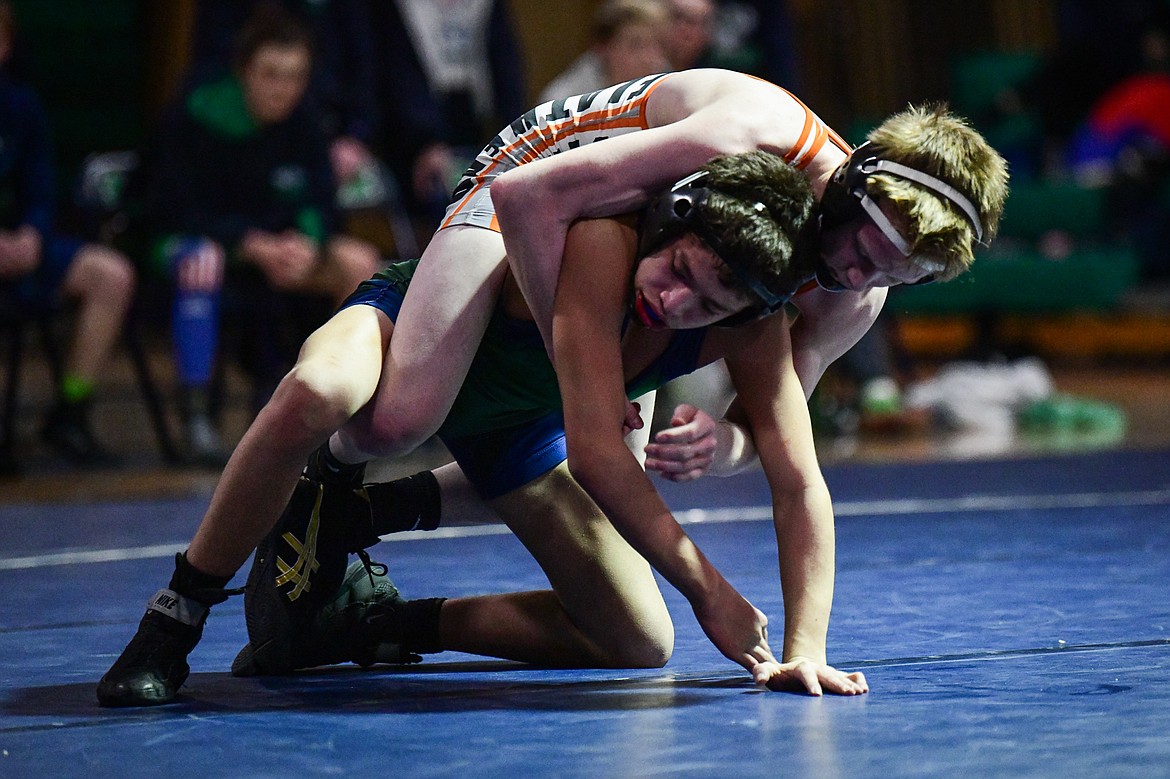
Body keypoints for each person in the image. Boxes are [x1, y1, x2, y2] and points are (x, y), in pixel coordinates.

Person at [96, 69, 1009, 706]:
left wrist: (723, 453)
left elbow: (783, 447)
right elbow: (537, 197)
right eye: (858, 242)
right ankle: (215, 579)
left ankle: (362, 595)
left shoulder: (824, 295)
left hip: (623, 284)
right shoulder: (743, 139)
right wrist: (585, 356)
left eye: (892, 270)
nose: (854, 270)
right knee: (399, 413)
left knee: (636, 630)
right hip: (535, 182)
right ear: (849, 182)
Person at [138, 7, 382, 463]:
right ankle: (196, 418)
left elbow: (320, 203)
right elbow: (173, 209)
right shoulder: (195, 114)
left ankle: (335, 406)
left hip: (280, 253)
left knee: (359, 261)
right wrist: (248, 243)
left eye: (294, 77)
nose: (282, 89)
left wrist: (307, 243)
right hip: (197, 244)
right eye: (271, 75)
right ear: (243, 70)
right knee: (200, 259)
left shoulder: (304, 119)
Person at [0, 0, 136, 467]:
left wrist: (33, 235)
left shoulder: (21, 106)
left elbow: (39, 186)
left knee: (110, 274)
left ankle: (71, 410)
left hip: (20, 248)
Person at [539, 0, 670, 103]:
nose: (650, 57)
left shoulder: (669, 85)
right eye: (636, 45)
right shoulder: (563, 101)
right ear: (603, 47)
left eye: (657, 44)